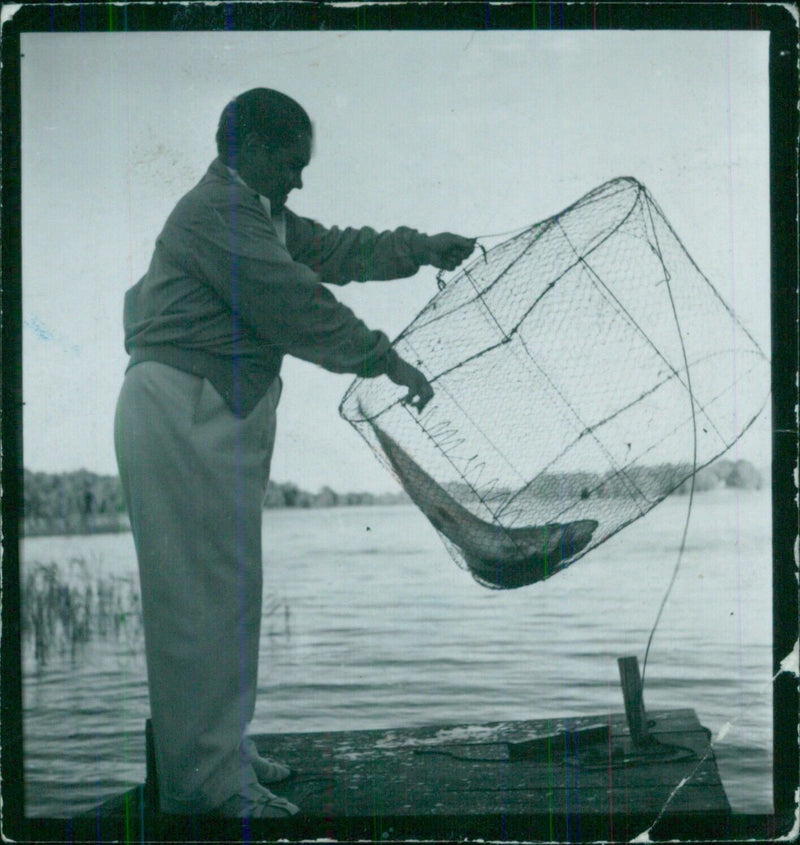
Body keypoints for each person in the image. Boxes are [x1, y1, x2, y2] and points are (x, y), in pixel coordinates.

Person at [114, 88, 475, 819]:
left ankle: (222, 751)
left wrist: (419, 248)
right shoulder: (220, 212)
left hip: (219, 409)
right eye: (291, 162)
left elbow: (338, 250)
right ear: (247, 146)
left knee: (232, 590)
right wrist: (385, 359)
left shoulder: (262, 213)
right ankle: (201, 785)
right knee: (196, 599)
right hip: (179, 406)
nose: (300, 179)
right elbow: (292, 300)